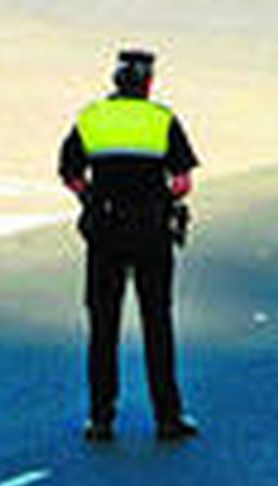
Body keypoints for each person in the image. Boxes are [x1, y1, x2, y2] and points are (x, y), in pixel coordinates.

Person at [59, 48, 200, 443]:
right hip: (152, 232)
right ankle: (167, 418)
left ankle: (101, 418)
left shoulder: (92, 118)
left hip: (105, 232)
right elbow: (182, 181)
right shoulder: (161, 120)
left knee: (103, 325)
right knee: (157, 322)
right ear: (148, 83)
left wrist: (91, 197)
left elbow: (69, 171)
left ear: (115, 81)